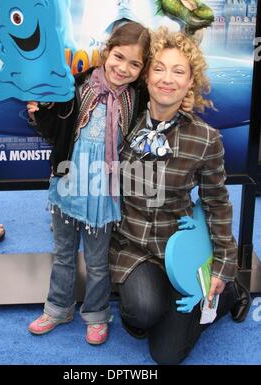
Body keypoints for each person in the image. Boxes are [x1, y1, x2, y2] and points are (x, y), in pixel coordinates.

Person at [109, 27, 251, 364]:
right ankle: (151, 307)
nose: (167, 79)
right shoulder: (122, 121)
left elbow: (217, 203)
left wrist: (222, 269)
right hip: (133, 245)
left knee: (166, 355)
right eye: (159, 68)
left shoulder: (205, 139)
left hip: (180, 249)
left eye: (178, 71)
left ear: (190, 83)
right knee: (141, 312)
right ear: (146, 77)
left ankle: (229, 293)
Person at [26, 22, 152, 345]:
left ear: (142, 69)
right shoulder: (78, 86)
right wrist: (38, 113)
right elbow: (56, 129)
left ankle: (96, 313)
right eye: (119, 57)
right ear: (106, 51)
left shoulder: (137, 101)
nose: (123, 68)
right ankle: (58, 308)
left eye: (134, 64)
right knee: (63, 253)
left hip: (103, 193)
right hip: (67, 184)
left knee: (97, 262)